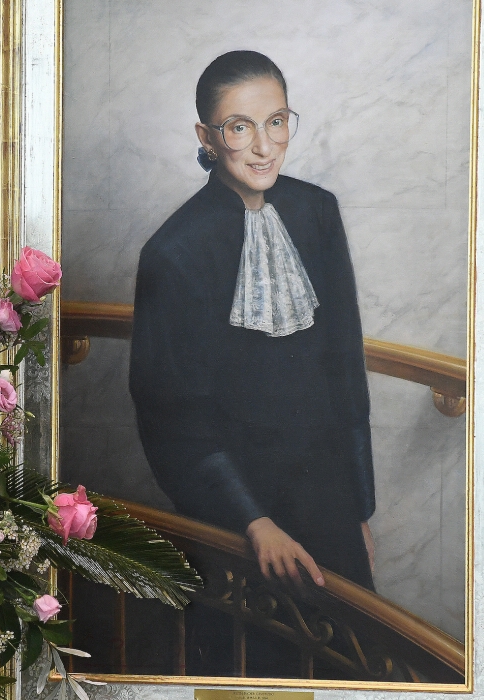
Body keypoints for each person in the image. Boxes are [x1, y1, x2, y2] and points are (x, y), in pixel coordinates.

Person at [129, 50, 377, 598]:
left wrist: (359, 507)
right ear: (208, 136)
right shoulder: (173, 252)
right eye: (240, 128)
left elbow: (345, 366)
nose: (264, 146)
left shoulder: (318, 211)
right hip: (237, 511)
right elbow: (169, 415)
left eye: (276, 122)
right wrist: (253, 522)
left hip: (329, 491)